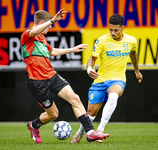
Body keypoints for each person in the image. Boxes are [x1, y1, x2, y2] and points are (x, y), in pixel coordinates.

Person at [20, 9, 109, 144]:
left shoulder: (42, 39)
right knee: (53, 114)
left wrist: (71, 49)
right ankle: (34, 125)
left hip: (52, 76)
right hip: (37, 83)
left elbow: (52, 51)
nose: (49, 29)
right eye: (49, 27)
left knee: (75, 98)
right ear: (42, 23)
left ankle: (90, 132)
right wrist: (53, 20)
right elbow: (33, 31)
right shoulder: (27, 36)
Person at [71, 14, 143, 143]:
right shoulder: (102, 40)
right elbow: (92, 59)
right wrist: (90, 69)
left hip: (118, 79)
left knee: (114, 95)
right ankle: (80, 132)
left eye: (116, 30)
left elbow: (133, 55)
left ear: (122, 28)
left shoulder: (131, 41)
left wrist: (137, 71)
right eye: (110, 29)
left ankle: (100, 130)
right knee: (91, 114)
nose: (113, 33)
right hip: (100, 80)